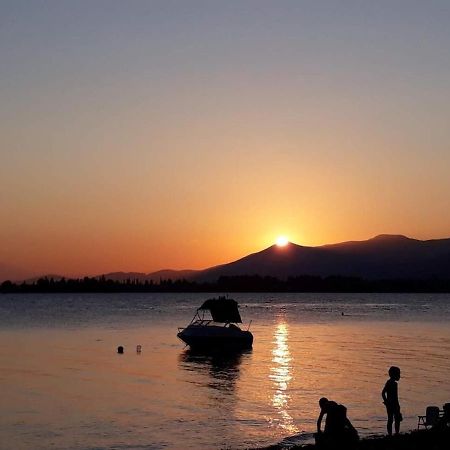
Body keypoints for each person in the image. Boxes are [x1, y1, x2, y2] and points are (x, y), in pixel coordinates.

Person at [381, 366, 402, 436]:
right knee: (396, 419)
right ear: (394, 375)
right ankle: (396, 433)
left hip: (390, 404)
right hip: (394, 404)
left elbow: (383, 393)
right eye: (398, 374)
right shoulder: (393, 384)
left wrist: (386, 401)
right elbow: (395, 397)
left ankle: (391, 434)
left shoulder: (389, 382)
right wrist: (387, 402)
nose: (399, 376)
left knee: (391, 419)